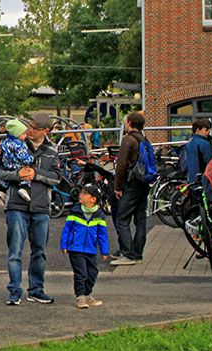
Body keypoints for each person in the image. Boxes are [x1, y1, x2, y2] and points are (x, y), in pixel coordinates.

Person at [0, 113, 61, 305]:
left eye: (35, 128)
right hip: (16, 205)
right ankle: (14, 290)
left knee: (39, 251)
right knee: (15, 251)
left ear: (45, 131)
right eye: (29, 126)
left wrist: (36, 174)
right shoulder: (14, 143)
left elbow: (57, 177)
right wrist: (17, 174)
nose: (29, 131)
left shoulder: (51, 151)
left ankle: (36, 289)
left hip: (41, 206)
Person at [60, 184, 109, 308]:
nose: (80, 195)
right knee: (81, 273)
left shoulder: (99, 215)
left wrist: (104, 251)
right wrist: (64, 244)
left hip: (90, 249)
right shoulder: (75, 211)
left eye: (84, 193)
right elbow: (67, 229)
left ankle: (87, 294)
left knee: (92, 272)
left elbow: (102, 235)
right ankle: (80, 297)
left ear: (93, 199)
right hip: (75, 248)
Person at [110, 112, 150, 266]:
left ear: (129, 123)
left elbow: (121, 165)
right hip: (143, 183)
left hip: (131, 183)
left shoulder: (128, 140)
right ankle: (138, 253)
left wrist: (117, 186)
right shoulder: (144, 139)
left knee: (122, 219)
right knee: (140, 219)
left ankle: (128, 253)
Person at [184, 118, 212, 183]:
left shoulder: (190, 142)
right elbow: (210, 162)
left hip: (191, 178)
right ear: (198, 130)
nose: (208, 132)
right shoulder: (204, 143)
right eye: (206, 130)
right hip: (202, 178)